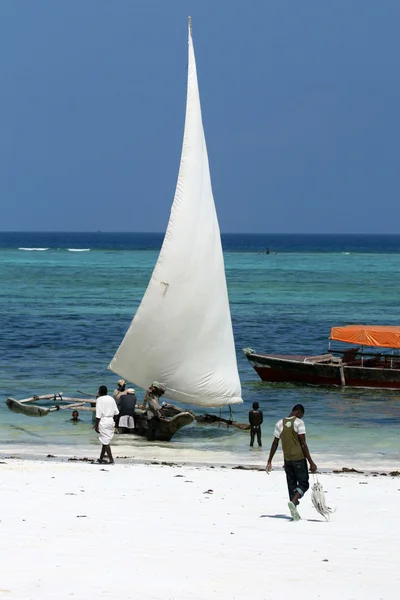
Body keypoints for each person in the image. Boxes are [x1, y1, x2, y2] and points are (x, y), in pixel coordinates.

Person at [266, 404, 317, 521]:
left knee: (292, 486)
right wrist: (311, 462)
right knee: (304, 484)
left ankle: (294, 513)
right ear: (299, 412)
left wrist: (269, 460)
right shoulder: (299, 422)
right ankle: (294, 501)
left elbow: (275, 443)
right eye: (302, 415)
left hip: (287, 460)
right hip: (299, 459)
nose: (301, 417)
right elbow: (303, 444)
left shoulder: (279, 423)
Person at [94, 385, 119, 464]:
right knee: (106, 440)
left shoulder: (99, 399)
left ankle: (111, 460)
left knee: (105, 442)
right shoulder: (111, 398)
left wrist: (96, 425)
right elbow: (116, 412)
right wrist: (114, 423)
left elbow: (98, 414)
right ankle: (101, 458)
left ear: (100, 391)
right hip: (111, 420)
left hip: (103, 420)